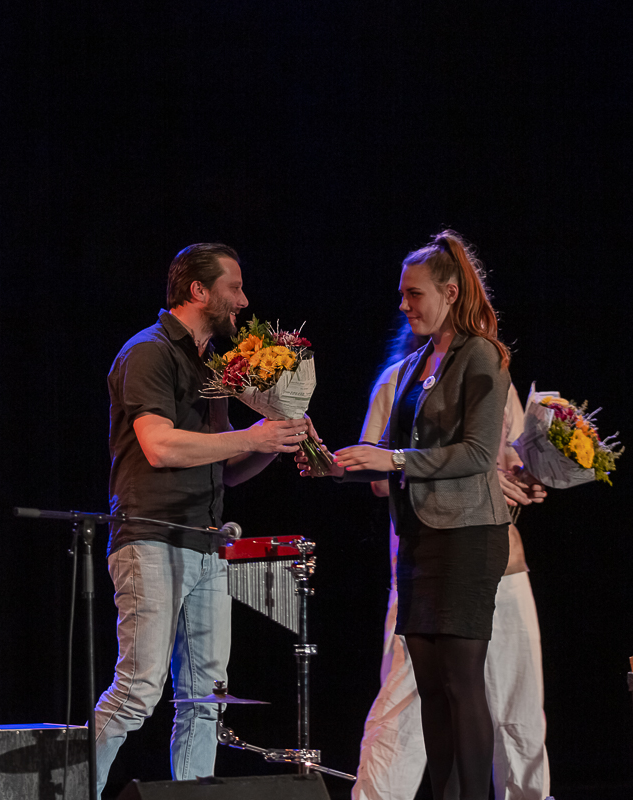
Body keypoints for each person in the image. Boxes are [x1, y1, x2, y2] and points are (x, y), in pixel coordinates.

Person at [93, 243, 310, 798]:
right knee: (137, 693)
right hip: (152, 540)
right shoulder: (148, 351)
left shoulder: (210, 364)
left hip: (207, 545)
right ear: (199, 291)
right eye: (233, 288)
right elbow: (160, 446)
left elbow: (225, 468)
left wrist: (277, 440)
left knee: (206, 699)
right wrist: (253, 436)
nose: (244, 300)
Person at [308, 231, 512, 800]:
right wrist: (334, 466)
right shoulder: (417, 363)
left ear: (450, 293)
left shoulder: (481, 355)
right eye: (402, 294)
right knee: (430, 686)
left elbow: (477, 454)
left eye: (414, 294)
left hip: (468, 535)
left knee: (461, 682)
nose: (404, 305)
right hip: (419, 537)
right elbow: (391, 456)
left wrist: (394, 458)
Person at [350, 318, 552, 800]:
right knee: (406, 706)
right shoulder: (398, 380)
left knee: (519, 709)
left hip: (501, 560)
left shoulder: (492, 371)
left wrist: (528, 478)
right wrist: (459, 473)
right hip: (430, 563)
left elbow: (508, 458)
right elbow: (376, 474)